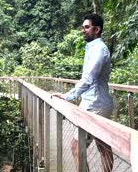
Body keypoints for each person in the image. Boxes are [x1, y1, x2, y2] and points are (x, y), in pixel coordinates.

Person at [52, 13, 114, 172]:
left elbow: (88, 79)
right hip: (94, 103)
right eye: (83, 27)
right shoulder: (93, 48)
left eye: (87, 27)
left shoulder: (99, 49)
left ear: (97, 29)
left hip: (96, 105)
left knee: (76, 146)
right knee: (103, 147)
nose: (83, 30)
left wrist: (67, 96)